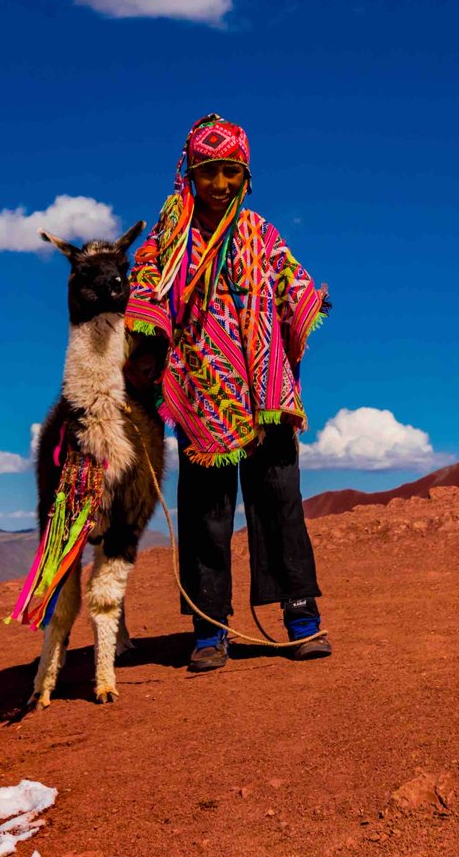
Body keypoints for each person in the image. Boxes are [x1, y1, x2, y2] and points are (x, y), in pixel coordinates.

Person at [124, 113, 332, 672]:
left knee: (281, 506)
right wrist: (146, 347)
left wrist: (308, 299)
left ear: (246, 176)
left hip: (268, 393)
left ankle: (301, 621)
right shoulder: (170, 239)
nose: (219, 184)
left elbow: (294, 282)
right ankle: (209, 629)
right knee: (205, 514)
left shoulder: (261, 233)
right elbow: (146, 292)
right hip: (201, 395)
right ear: (190, 173)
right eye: (209, 171)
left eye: (230, 172)